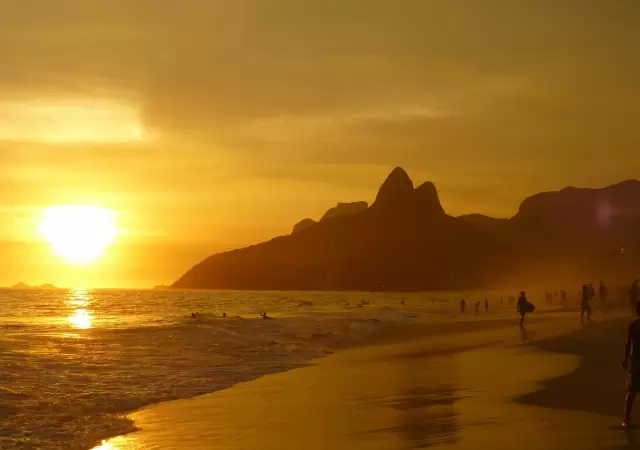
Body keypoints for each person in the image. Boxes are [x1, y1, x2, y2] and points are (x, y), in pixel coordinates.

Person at [622, 301, 640, 428]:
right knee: (632, 390)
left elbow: (628, 344)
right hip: (636, 360)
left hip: (635, 361)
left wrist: (625, 359)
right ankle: (626, 418)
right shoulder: (633, 325)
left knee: (632, 391)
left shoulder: (633, 324)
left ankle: (626, 418)